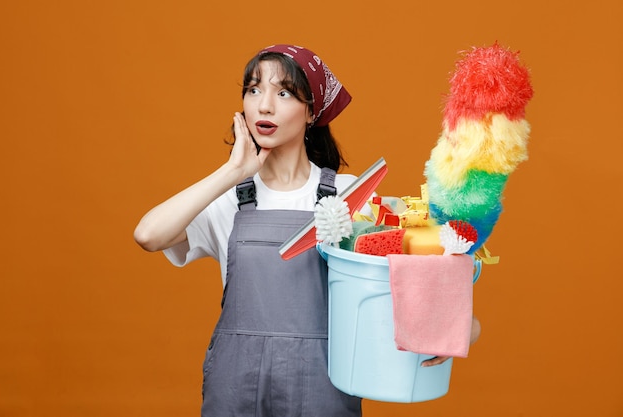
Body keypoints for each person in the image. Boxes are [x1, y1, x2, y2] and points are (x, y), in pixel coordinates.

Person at [134, 44, 479, 416]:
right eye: (253, 90)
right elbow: (148, 235)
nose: (264, 105)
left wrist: (456, 329)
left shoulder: (352, 196)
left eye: (283, 93)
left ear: (312, 111)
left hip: (323, 388)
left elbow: (413, 279)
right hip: (235, 388)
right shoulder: (228, 198)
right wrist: (233, 173)